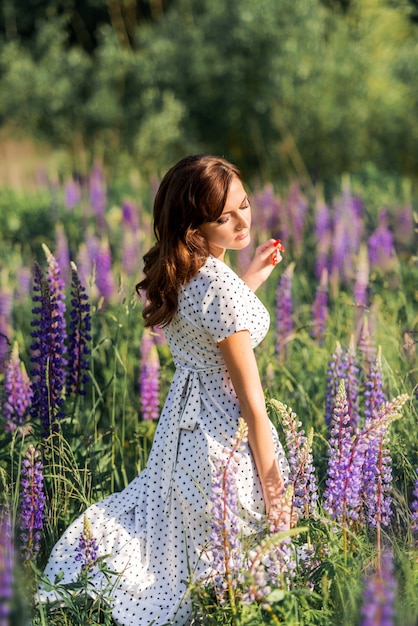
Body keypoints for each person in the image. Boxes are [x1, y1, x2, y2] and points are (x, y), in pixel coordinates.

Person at [40, 154, 289, 625]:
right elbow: (253, 406)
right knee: (237, 537)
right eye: (224, 217)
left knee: (182, 532)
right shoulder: (217, 285)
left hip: (182, 428)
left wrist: (250, 278)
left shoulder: (182, 270)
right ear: (194, 229)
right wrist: (277, 493)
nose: (243, 221)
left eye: (245, 204)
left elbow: (210, 327)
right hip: (221, 429)